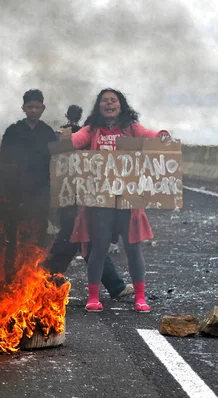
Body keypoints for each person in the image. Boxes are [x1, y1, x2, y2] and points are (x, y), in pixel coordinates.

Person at [70, 88, 170, 313]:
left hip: (128, 198)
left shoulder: (131, 128)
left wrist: (162, 135)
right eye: (105, 101)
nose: (109, 104)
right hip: (101, 198)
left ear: (121, 105)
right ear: (99, 106)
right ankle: (94, 297)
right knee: (99, 247)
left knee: (133, 248)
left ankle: (140, 297)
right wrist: (64, 137)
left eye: (113, 100)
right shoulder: (92, 129)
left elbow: (151, 136)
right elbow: (75, 142)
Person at [48, 105, 133, 299]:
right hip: (76, 204)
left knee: (83, 246)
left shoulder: (68, 137)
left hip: (82, 205)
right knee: (78, 245)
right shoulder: (74, 139)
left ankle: (45, 281)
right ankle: (45, 282)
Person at [0, 89, 56, 264]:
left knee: (39, 227)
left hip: (41, 189)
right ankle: (13, 264)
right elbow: (4, 159)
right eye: (30, 107)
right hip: (17, 189)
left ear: (43, 108)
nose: (33, 110)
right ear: (23, 108)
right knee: (15, 228)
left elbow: (54, 161)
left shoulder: (47, 132)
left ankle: (35, 265)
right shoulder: (13, 131)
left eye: (37, 107)